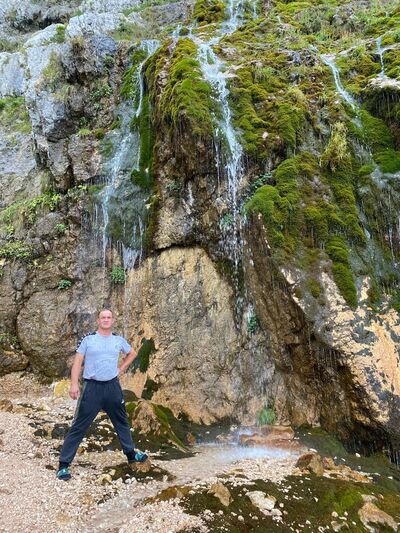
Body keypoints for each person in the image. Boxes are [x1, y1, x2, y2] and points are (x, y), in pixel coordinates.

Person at [56, 308, 147, 481]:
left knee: (121, 421)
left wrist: (121, 368)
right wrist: (74, 384)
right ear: (98, 321)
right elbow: (77, 362)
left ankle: (131, 454)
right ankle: (63, 465)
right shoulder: (88, 340)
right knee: (79, 425)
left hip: (112, 387)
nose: (106, 319)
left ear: (112, 321)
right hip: (92, 388)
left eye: (109, 317)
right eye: (103, 317)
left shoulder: (118, 340)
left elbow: (132, 353)